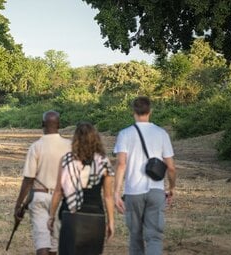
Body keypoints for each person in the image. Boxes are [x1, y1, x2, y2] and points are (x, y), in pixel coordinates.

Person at [113, 96, 176, 255]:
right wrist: (172, 188)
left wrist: (116, 193)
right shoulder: (162, 133)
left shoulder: (124, 134)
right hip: (156, 191)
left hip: (133, 192)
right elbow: (171, 168)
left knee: (135, 237)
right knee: (154, 237)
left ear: (133, 111)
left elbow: (121, 165)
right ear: (150, 111)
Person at [47, 122, 115, 255]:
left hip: (71, 216)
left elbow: (58, 191)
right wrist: (111, 221)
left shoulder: (67, 160)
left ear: (75, 140)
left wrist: (51, 216)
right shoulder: (104, 162)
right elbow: (108, 196)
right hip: (95, 217)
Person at [14, 110, 72, 255]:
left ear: (42, 125)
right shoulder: (70, 146)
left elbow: (28, 179)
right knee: (54, 244)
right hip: (62, 199)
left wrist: (19, 204)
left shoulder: (36, 147)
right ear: (59, 125)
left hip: (40, 196)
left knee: (42, 241)